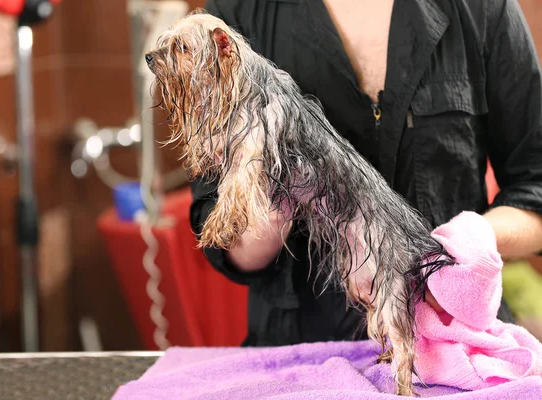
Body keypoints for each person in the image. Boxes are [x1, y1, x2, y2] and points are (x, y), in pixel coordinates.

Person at [190, 0, 542, 347]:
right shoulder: (236, 14)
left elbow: (535, 185)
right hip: (300, 351)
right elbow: (222, 241)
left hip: (458, 339)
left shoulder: (483, 8)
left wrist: (464, 243)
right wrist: (279, 184)